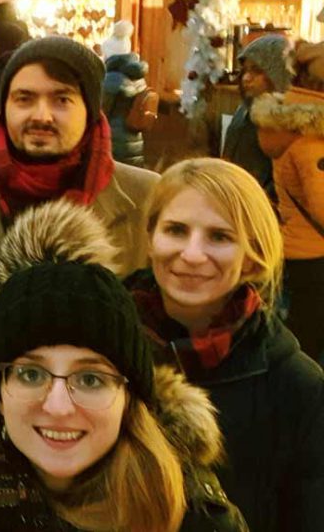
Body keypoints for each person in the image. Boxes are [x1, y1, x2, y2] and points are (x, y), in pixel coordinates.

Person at [0, 199, 247, 532]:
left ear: (128, 394)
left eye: (90, 378)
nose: (57, 406)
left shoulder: (198, 517)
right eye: (31, 374)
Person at [127, 158, 323, 531]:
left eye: (220, 237)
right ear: (151, 237)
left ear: (251, 257)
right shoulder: (97, 344)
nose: (192, 254)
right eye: (176, 230)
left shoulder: (298, 388)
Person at [0, 36, 159, 275]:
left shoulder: (146, 198)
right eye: (24, 99)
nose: (41, 115)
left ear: (90, 109)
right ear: (4, 107)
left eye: (61, 100)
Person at [251, 57, 324, 362]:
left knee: (302, 332)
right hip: (316, 257)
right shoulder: (312, 141)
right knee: (308, 340)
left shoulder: (290, 130)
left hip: (298, 249)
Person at [222, 34, 293, 195]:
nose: (246, 78)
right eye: (245, 70)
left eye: (257, 70)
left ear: (277, 73)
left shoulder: (286, 121)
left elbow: (282, 184)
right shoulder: (244, 110)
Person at [102, 51, 151, 167]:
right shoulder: (140, 79)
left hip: (115, 133)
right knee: (133, 170)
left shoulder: (112, 79)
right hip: (135, 130)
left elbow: (103, 109)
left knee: (116, 171)